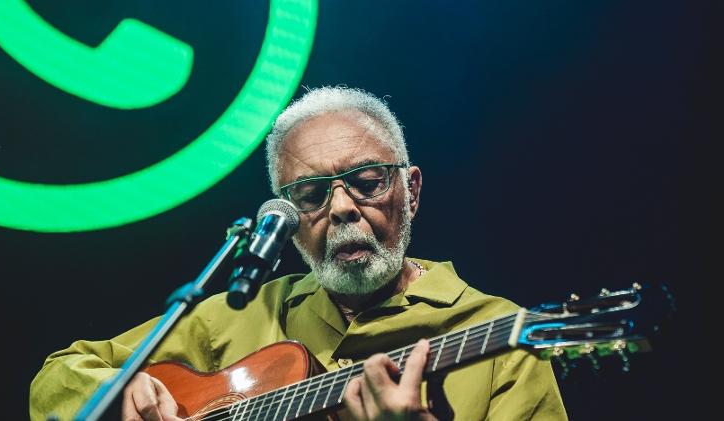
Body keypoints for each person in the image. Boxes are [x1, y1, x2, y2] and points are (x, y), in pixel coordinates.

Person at [30, 86, 568, 420]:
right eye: (311, 195)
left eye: (367, 181)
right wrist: (118, 393)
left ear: (412, 190)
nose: (341, 209)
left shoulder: (505, 334)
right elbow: (57, 377)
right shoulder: (239, 315)